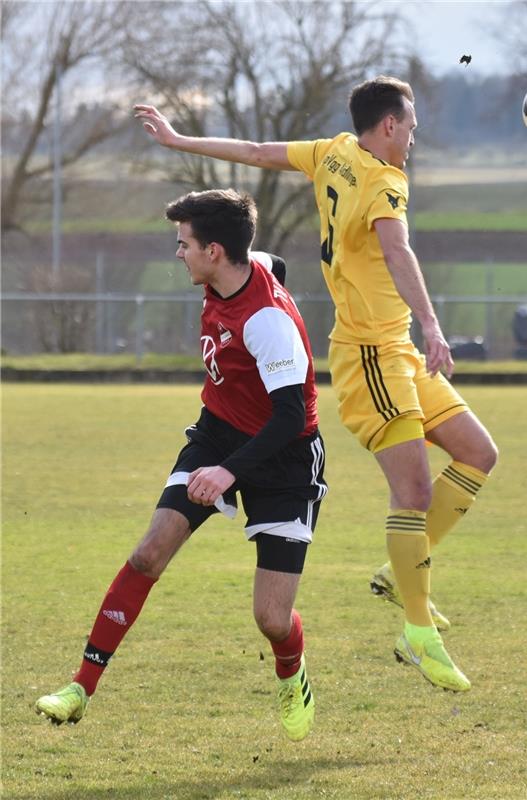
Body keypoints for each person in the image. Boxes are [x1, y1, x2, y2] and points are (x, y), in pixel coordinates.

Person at [134, 75, 498, 693]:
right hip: (370, 354)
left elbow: (252, 151)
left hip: (397, 349)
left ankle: (398, 573)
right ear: (388, 125)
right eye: (410, 126)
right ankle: (418, 632)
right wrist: (436, 323)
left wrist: (178, 140)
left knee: (478, 453)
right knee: (411, 492)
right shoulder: (384, 181)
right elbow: (399, 250)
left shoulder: (333, 151)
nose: (413, 137)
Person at [36, 189, 327, 741]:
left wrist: (228, 474)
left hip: (286, 458)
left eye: (184, 244)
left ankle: (292, 672)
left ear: (215, 251)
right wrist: (220, 461)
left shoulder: (266, 322)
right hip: (218, 434)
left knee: (270, 619)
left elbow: (289, 417)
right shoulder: (250, 266)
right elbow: (275, 265)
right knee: (149, 552)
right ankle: (79, 688)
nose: (178, 254)